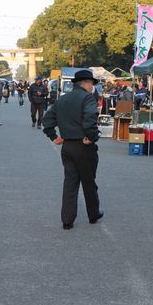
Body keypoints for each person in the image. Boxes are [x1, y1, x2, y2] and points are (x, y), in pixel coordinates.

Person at [43, 69, 103, 230]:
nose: (92, 87)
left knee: (70, 182)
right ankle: (93, 213)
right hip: (83, 145)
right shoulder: (88, 98)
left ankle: (67, 219)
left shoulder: (62, 99)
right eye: (91, 84)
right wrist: (92, 137)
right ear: (86, 83)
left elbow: (47, 119)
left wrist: (54, 136)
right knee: (88, 181)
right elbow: (90, 118)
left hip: (67, 145)